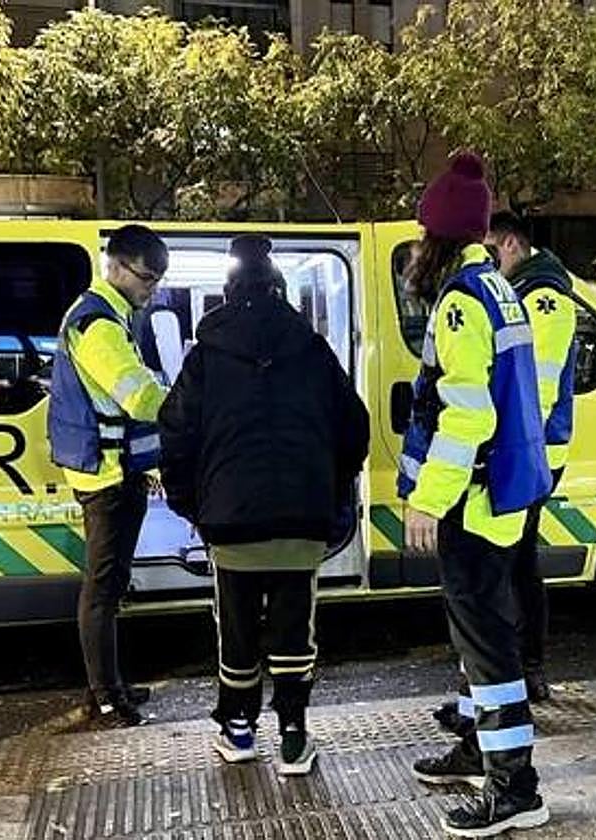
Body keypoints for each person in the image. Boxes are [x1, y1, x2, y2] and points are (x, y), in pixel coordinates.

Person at [158, 234, 369, 777]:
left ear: (228, 295)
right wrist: (329, 488)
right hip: (302, 520)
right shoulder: (314, 349)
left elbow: (176, 433)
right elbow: (354, 428)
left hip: (230, 521)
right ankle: (295, 738)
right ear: (280, 291)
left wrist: (193, 505)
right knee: (295, 627)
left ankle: (239, 731)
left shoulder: (205, 356)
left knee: (237, 628)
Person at [398, 153, 553, 835]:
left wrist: (428, 497)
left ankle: (515, 790)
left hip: (472, 499)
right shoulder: (497, 287)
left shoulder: (461, 305)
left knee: (487, 649)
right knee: (484, 641)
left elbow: (466, 415)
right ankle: (479, 752)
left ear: (437, 239)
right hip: (502, 495)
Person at [433, 211, 578, 735]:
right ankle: (485, 705)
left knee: (509, 573)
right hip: (510, 455)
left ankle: (522, 676)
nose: (491, 258)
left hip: (522, 457)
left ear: (512, 244)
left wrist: (496, 457)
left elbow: (532, 394)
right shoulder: (518, 290)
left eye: (495, 249)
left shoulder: (543, 296)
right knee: (499, 577)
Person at [48, 224, 169, 728]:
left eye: (158, 280)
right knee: (101, 590)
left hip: (119, 470)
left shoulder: (112, 316)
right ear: (115, 267)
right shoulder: (98, 324)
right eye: (146, 277)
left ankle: (110, 685)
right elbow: (138, 397)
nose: (152, 289)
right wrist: (192, 406)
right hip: (106, 477)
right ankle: (102, 698)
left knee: (112, 585)